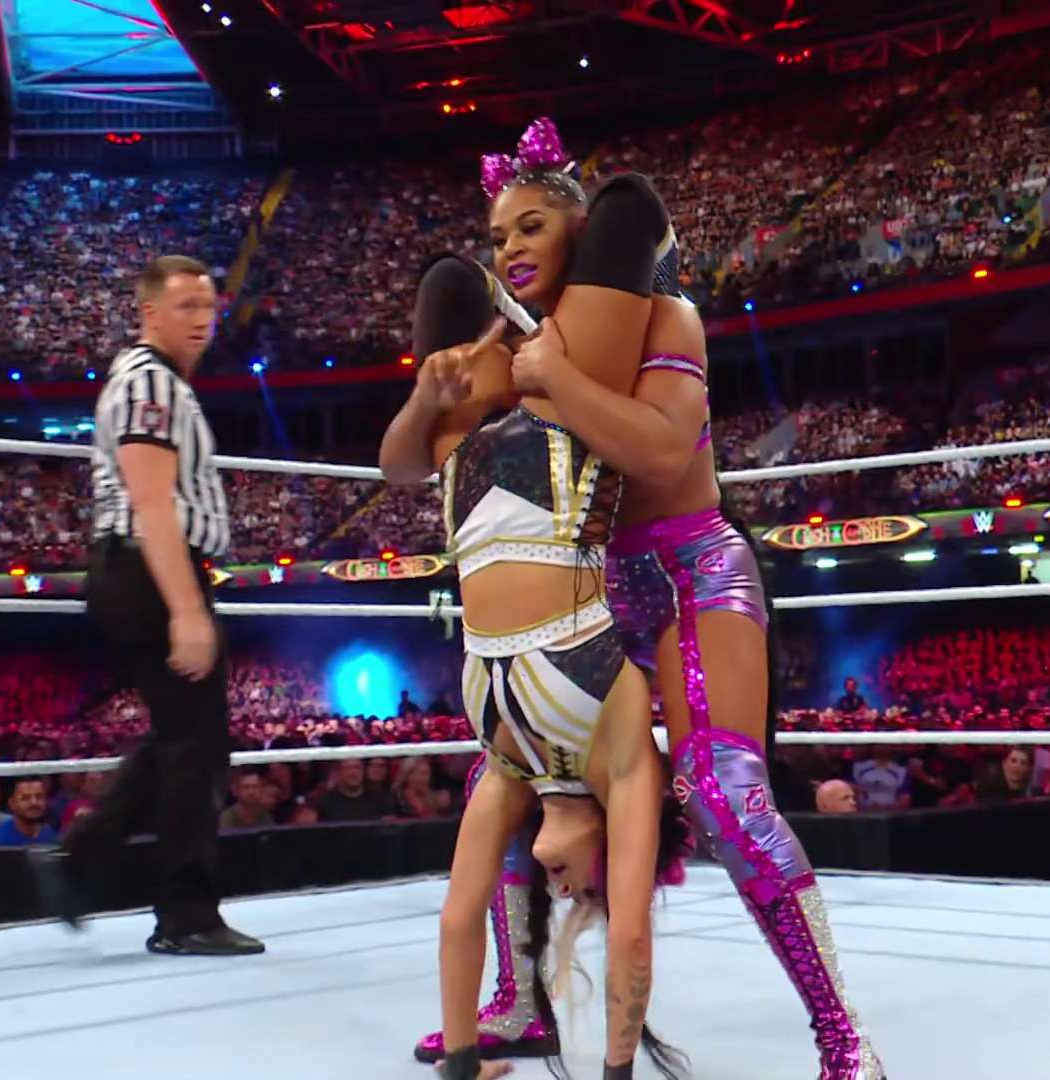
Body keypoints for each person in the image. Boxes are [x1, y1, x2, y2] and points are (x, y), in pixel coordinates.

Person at [500, 126, 885, 1077]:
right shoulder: (521, 348)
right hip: (593, 597)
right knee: (502, 777)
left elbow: (664, 452)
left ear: (585, 231)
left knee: (723, 792)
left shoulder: (667, 316)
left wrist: (555, 380)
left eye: (531, 225)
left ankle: (845, 1042)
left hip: (692, 574)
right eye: (497, 233)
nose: (509, 247)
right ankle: (514, 1002)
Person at [380, 117, 689, 1080]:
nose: (556, 883)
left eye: (529, 228)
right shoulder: (625, 762)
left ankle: (580, 251)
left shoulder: (512, 770)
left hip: (497, 667)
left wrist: (463, 1064)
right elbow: (629, 928)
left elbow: (456, 916)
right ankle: (587, 236)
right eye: (502, 232)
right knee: (615, 215)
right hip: (565, 637)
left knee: (451, 283)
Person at [28, 255, 263, 958]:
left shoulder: (154, 381)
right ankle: (184, 914)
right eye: (187, 306)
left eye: (210, 307)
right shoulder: (150, 381)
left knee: (184, 738)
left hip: (146, 568)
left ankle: (76, 863)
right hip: (150, 568)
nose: (203, 320)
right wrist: (187, 611)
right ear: (150, 313)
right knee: (194, 747)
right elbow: (152, 504)